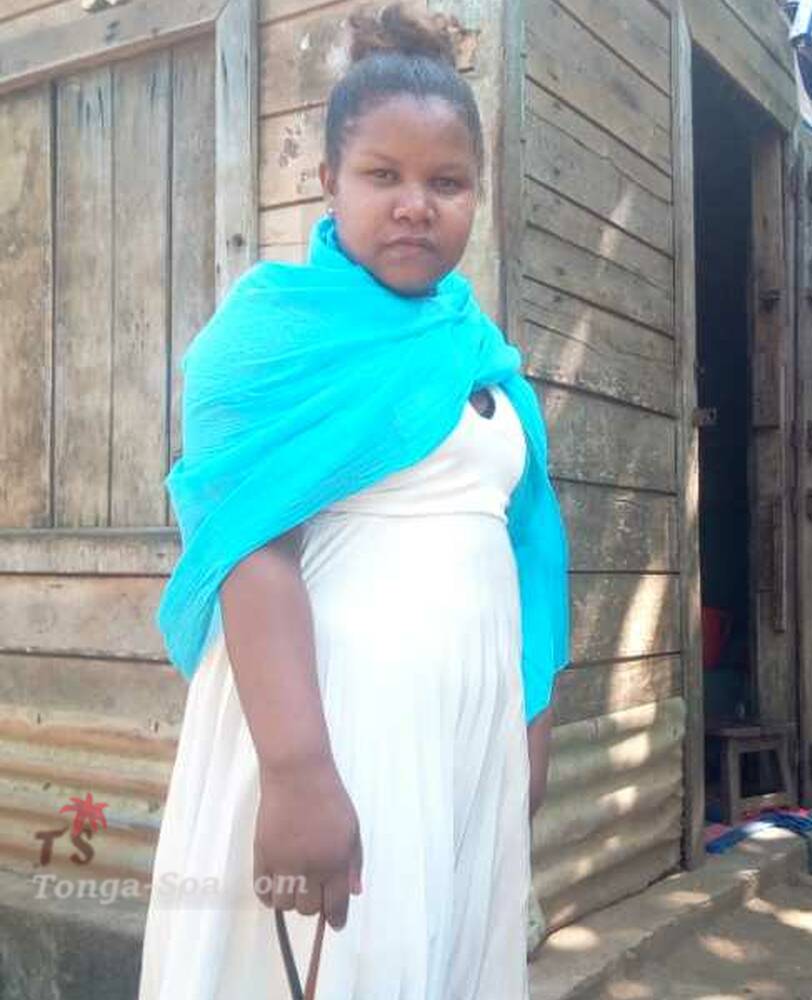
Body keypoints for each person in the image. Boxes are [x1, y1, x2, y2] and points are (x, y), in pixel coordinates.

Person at [137, 3, 569, 998]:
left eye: (446, 182)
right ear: (329, 180)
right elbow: (251, 548)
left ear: (477, 194)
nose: (416, 205)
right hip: (329, 735)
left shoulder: (480, 353)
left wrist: (529, 732)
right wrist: (297, 773)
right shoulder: (268, 340)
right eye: (383, 175)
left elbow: (531, 551)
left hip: (461, 743)